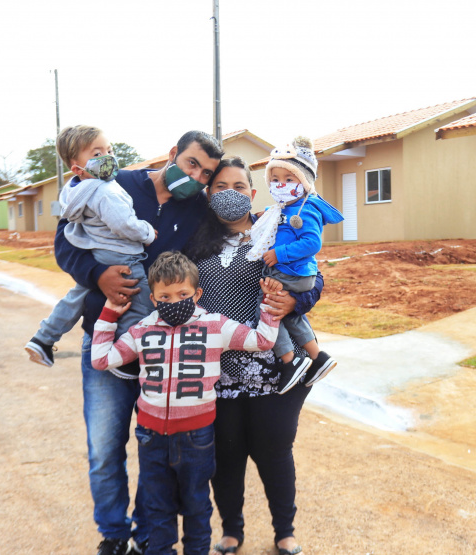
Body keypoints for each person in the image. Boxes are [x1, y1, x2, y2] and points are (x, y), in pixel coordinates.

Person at [53, 130, 247, 555]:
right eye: (192, 164)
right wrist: (95, 274)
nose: (196, 177)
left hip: (161, 355)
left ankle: (148, 535)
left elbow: (239, 237)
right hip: (105, 337)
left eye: (206, 173)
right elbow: (64, 240)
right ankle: (114, 535)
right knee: (105, 449)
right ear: (174, 154)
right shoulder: (115, 181)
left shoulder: (197, 209)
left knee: (155, 450)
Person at [91, 251, 281, 555]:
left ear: (197, 294)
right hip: (150, 437)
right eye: (165, 295)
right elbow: (101, 360)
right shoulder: (142, 330)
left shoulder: (216, 326)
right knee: (157, 507)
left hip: (197, 437)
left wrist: (270, 304)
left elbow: (262, 340)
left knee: (196, 506)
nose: (174, 300)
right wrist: (110, 313)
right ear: (153, 298)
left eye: (183, 293)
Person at [183, 156, 322, 555]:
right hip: (217, 370)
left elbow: (315, 275)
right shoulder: (195, 242)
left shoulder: (275, 229)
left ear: (253, 193)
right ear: (209, 195)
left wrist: (296, 301)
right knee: (226, 454)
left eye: (239, 187)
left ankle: (285, 530)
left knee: (274, 450)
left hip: (279, 367)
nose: (230, 194)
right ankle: (232, 530)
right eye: (221, 187)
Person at [25, 125, 156, 369]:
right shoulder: (105, 190)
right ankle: (125, 357)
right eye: (96, 154)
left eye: (109, 149)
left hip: (99, 253)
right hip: (123, 255)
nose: (107, 157)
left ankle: (44, 337)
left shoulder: (74, 190)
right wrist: (147, 232)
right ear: (77, 168)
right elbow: (124, 224)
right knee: (144, 300)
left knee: (76, 296)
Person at [247, 137, 343, 394]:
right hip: (292, 272)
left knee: (267, 309)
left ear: (305, 181)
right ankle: (317, 357)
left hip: (293, 272)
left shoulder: (306, 209)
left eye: (289, 179)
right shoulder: (285, 207)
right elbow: (276, 215)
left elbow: (312, 243)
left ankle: (290, 361)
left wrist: (279, 253)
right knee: (290, 315)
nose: (281, 184)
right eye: (275, 178)